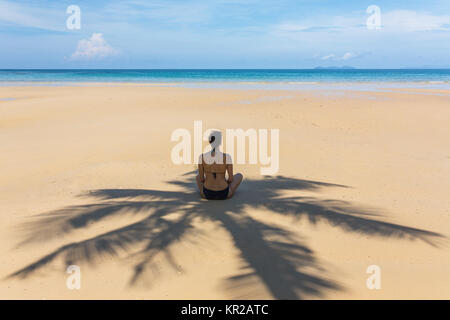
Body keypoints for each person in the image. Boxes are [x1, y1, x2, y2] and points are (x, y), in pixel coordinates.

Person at [196, 131, 243, 200]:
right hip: (224, 193)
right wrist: (224, 182)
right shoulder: (227, 157)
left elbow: (201, 179)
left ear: (210, 142)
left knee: (197, 177)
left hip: (207, 193)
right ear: (220, 142)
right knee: (239, 175)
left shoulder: (202, 157)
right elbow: (230, 179)